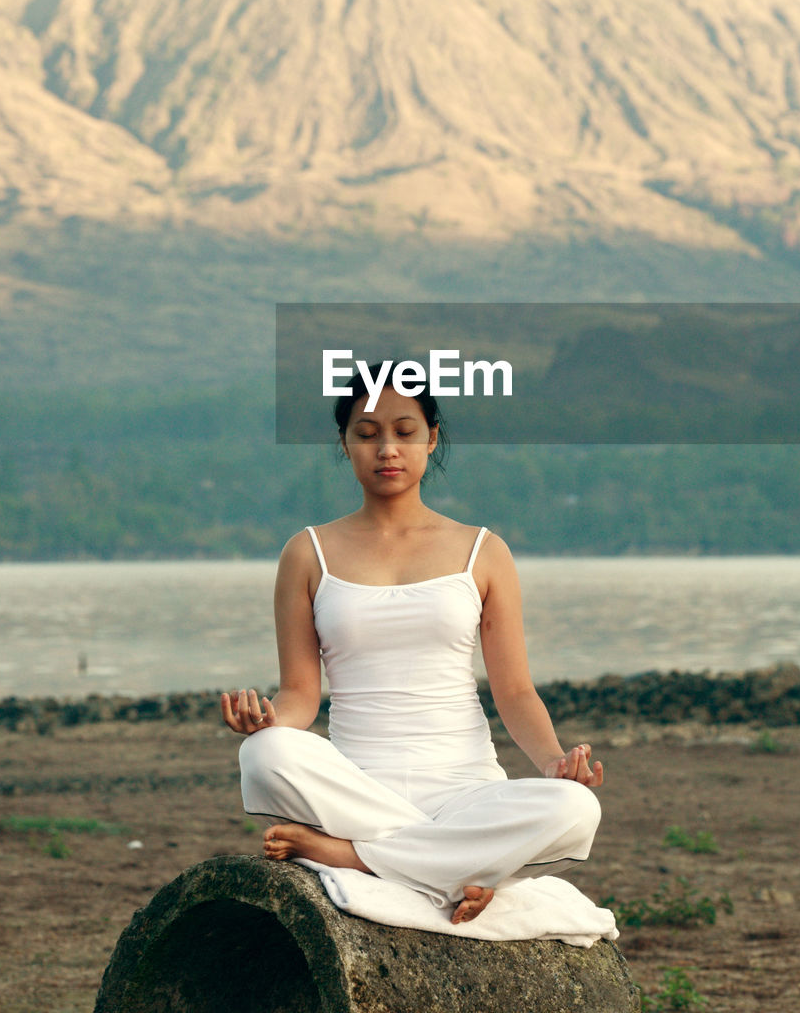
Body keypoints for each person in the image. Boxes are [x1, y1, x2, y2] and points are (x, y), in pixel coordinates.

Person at [221, 366, 604, 926]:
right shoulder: (307, 553)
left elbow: (515, 690)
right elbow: (302, 692)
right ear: (345, 444)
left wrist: (553, 762)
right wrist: (269, 720)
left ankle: (357, 859)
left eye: (404, 431)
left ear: (432, 438)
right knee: (263, 754)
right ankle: (458, 867)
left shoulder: (483, 551)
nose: (387, 449)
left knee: (576, 808)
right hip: (356, 790)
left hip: (465, 791)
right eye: (367, 432)